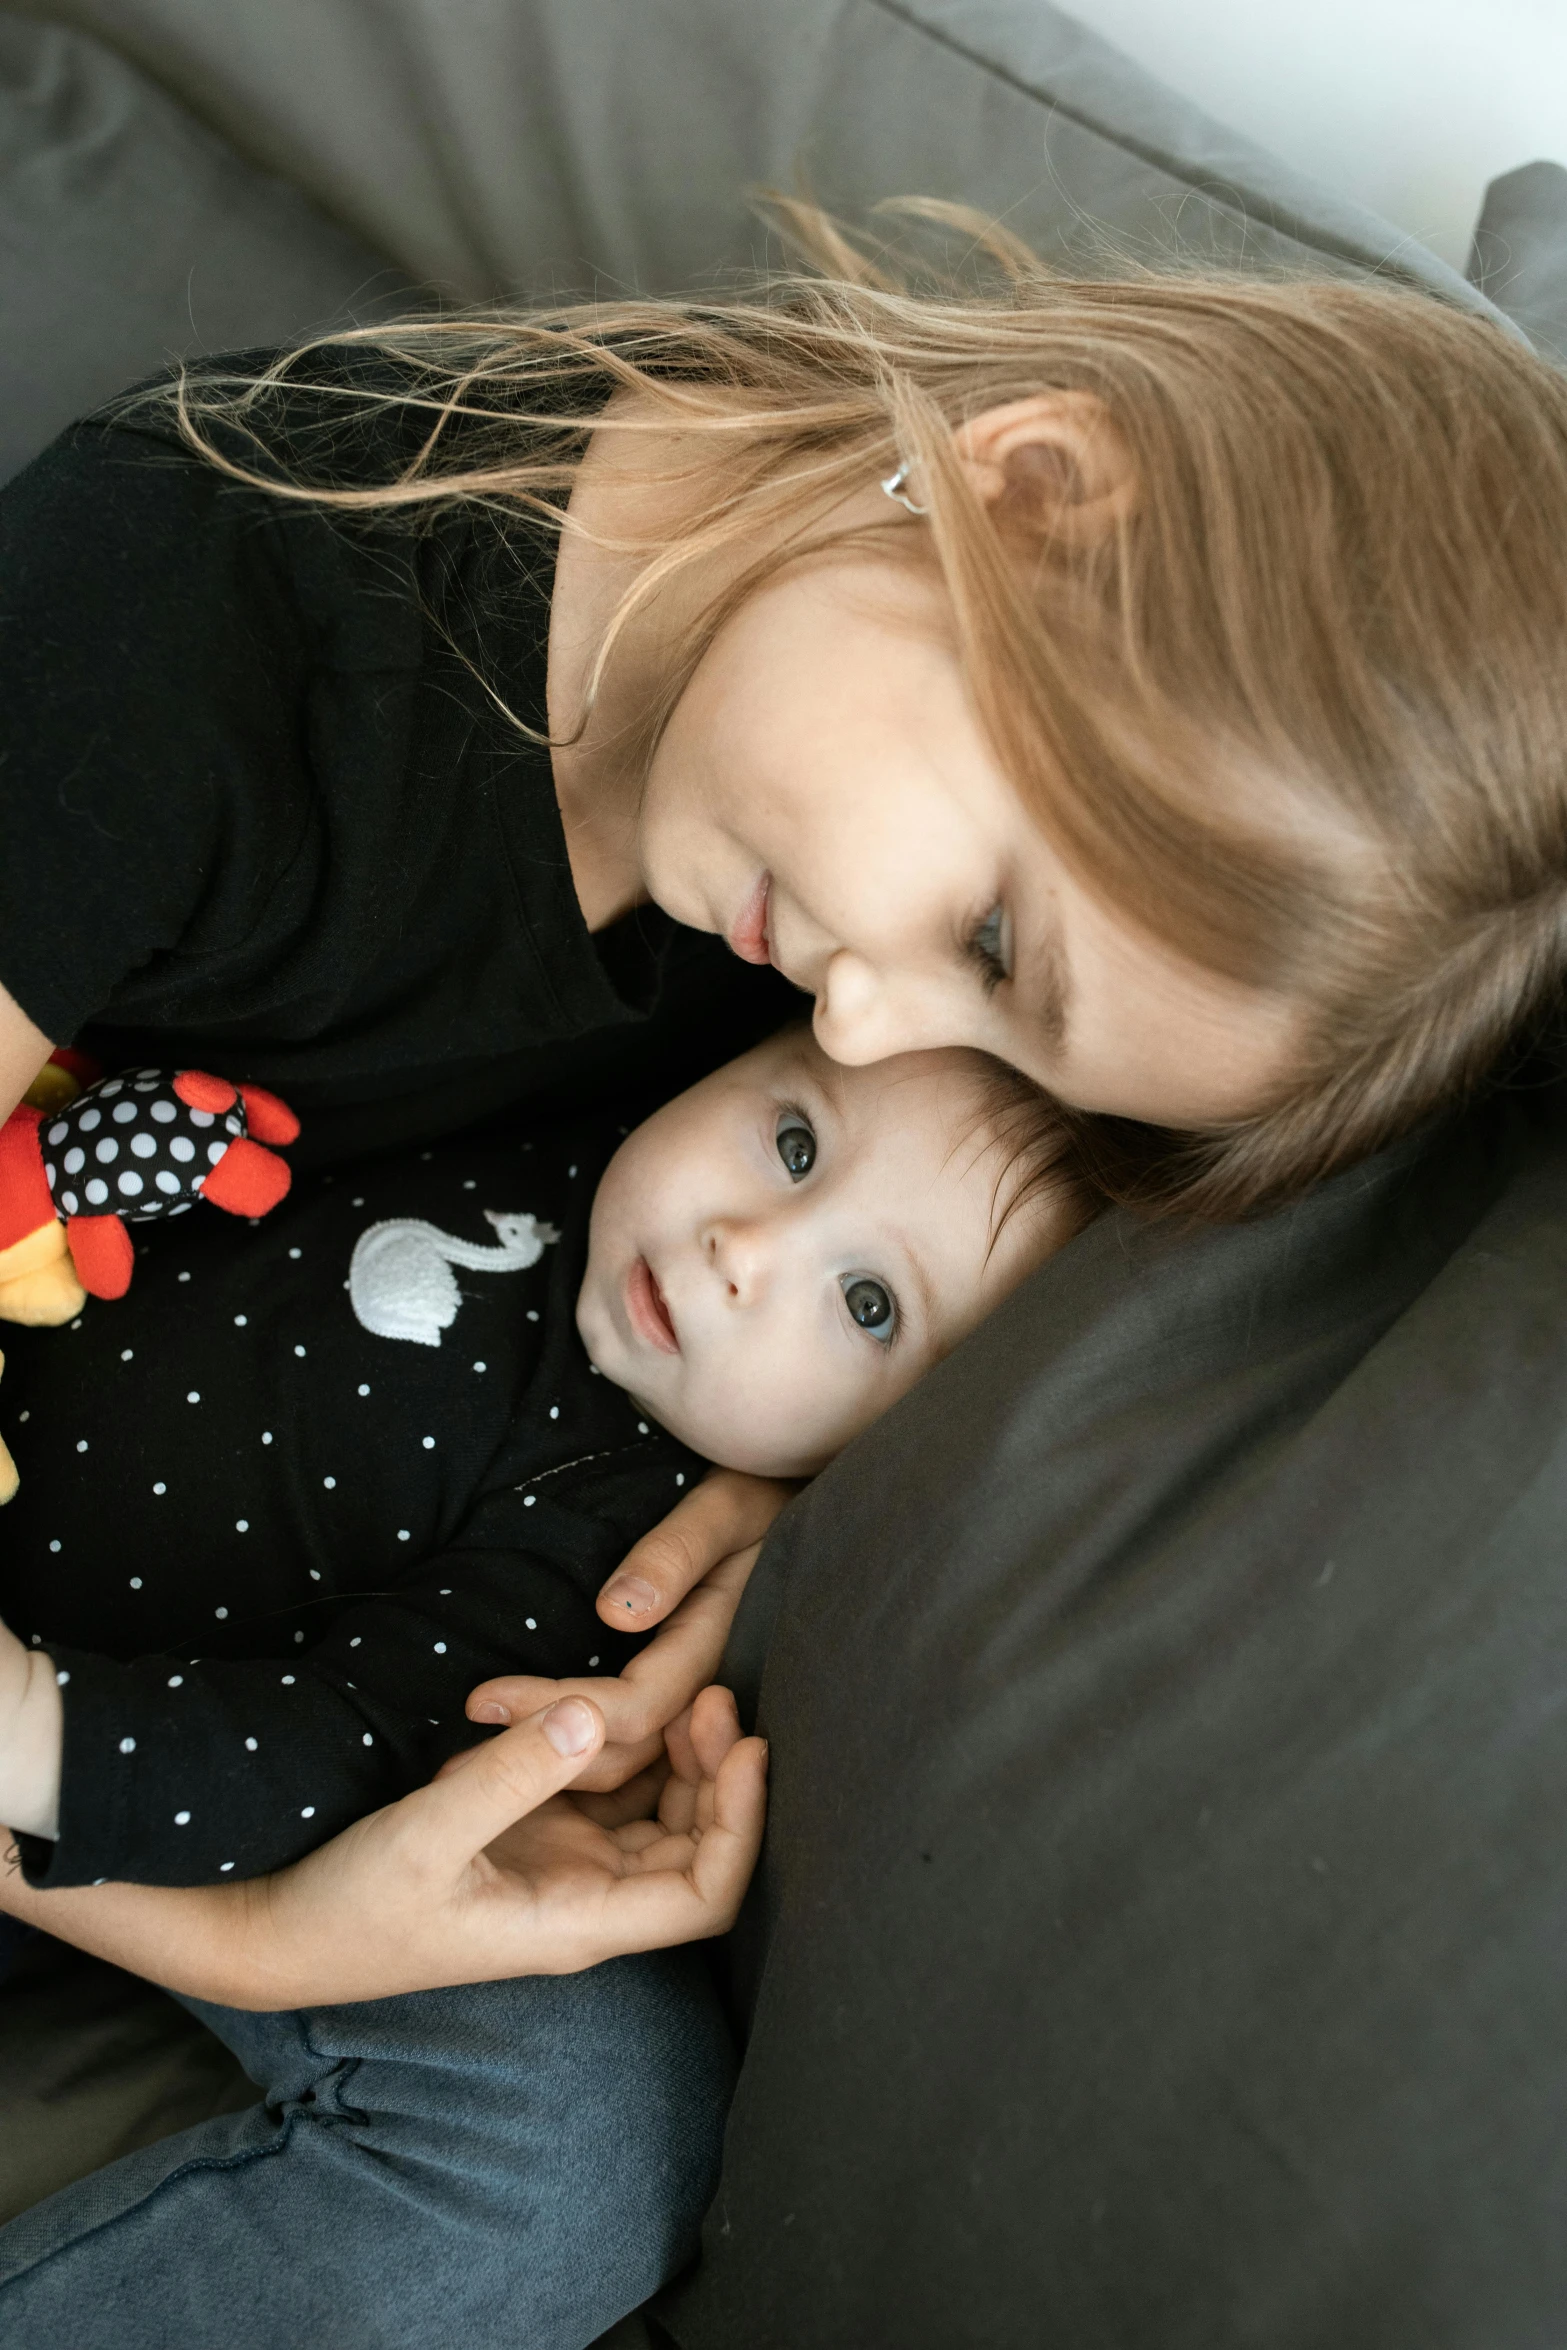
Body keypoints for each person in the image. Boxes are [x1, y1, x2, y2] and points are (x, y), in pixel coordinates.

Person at [4, 203, 1567, 2342]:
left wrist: (795, 1452)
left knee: (580, 2151)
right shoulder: (186, 620)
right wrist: (247, 1935)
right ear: (1028, 489)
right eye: (995, 947)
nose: (860, 1034)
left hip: (248, 1641)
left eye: (1005, 1040)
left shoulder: (814, 807)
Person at [0, 1025, 1087, 1882]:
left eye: (866, 1303)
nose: (744, 1246)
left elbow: (339, 1751)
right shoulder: (584, 1111)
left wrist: (36, 1737)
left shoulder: (610, 1538)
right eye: (795, 1142)